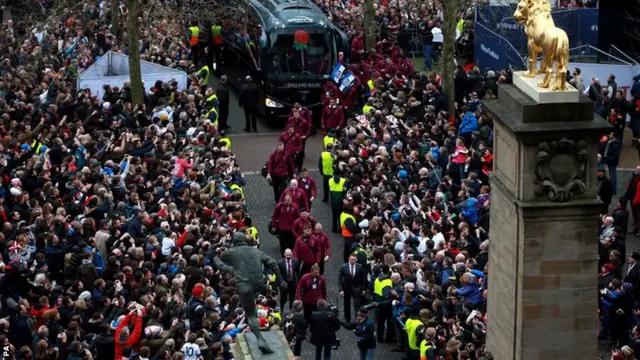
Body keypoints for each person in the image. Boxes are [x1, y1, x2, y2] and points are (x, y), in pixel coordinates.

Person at [338, 254, 367, 323]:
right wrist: (341, 290)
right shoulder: (344, 267)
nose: (353, 261)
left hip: (357, 289)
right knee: (346, 305)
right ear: (348, 259)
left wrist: (363, 289)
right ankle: (347, 319)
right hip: (346, 289)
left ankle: (357, 320)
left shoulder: (359, 267)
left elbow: (363, 279)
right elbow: (339, 279)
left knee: (357, 305)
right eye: (352, 259)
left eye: (354, 259)